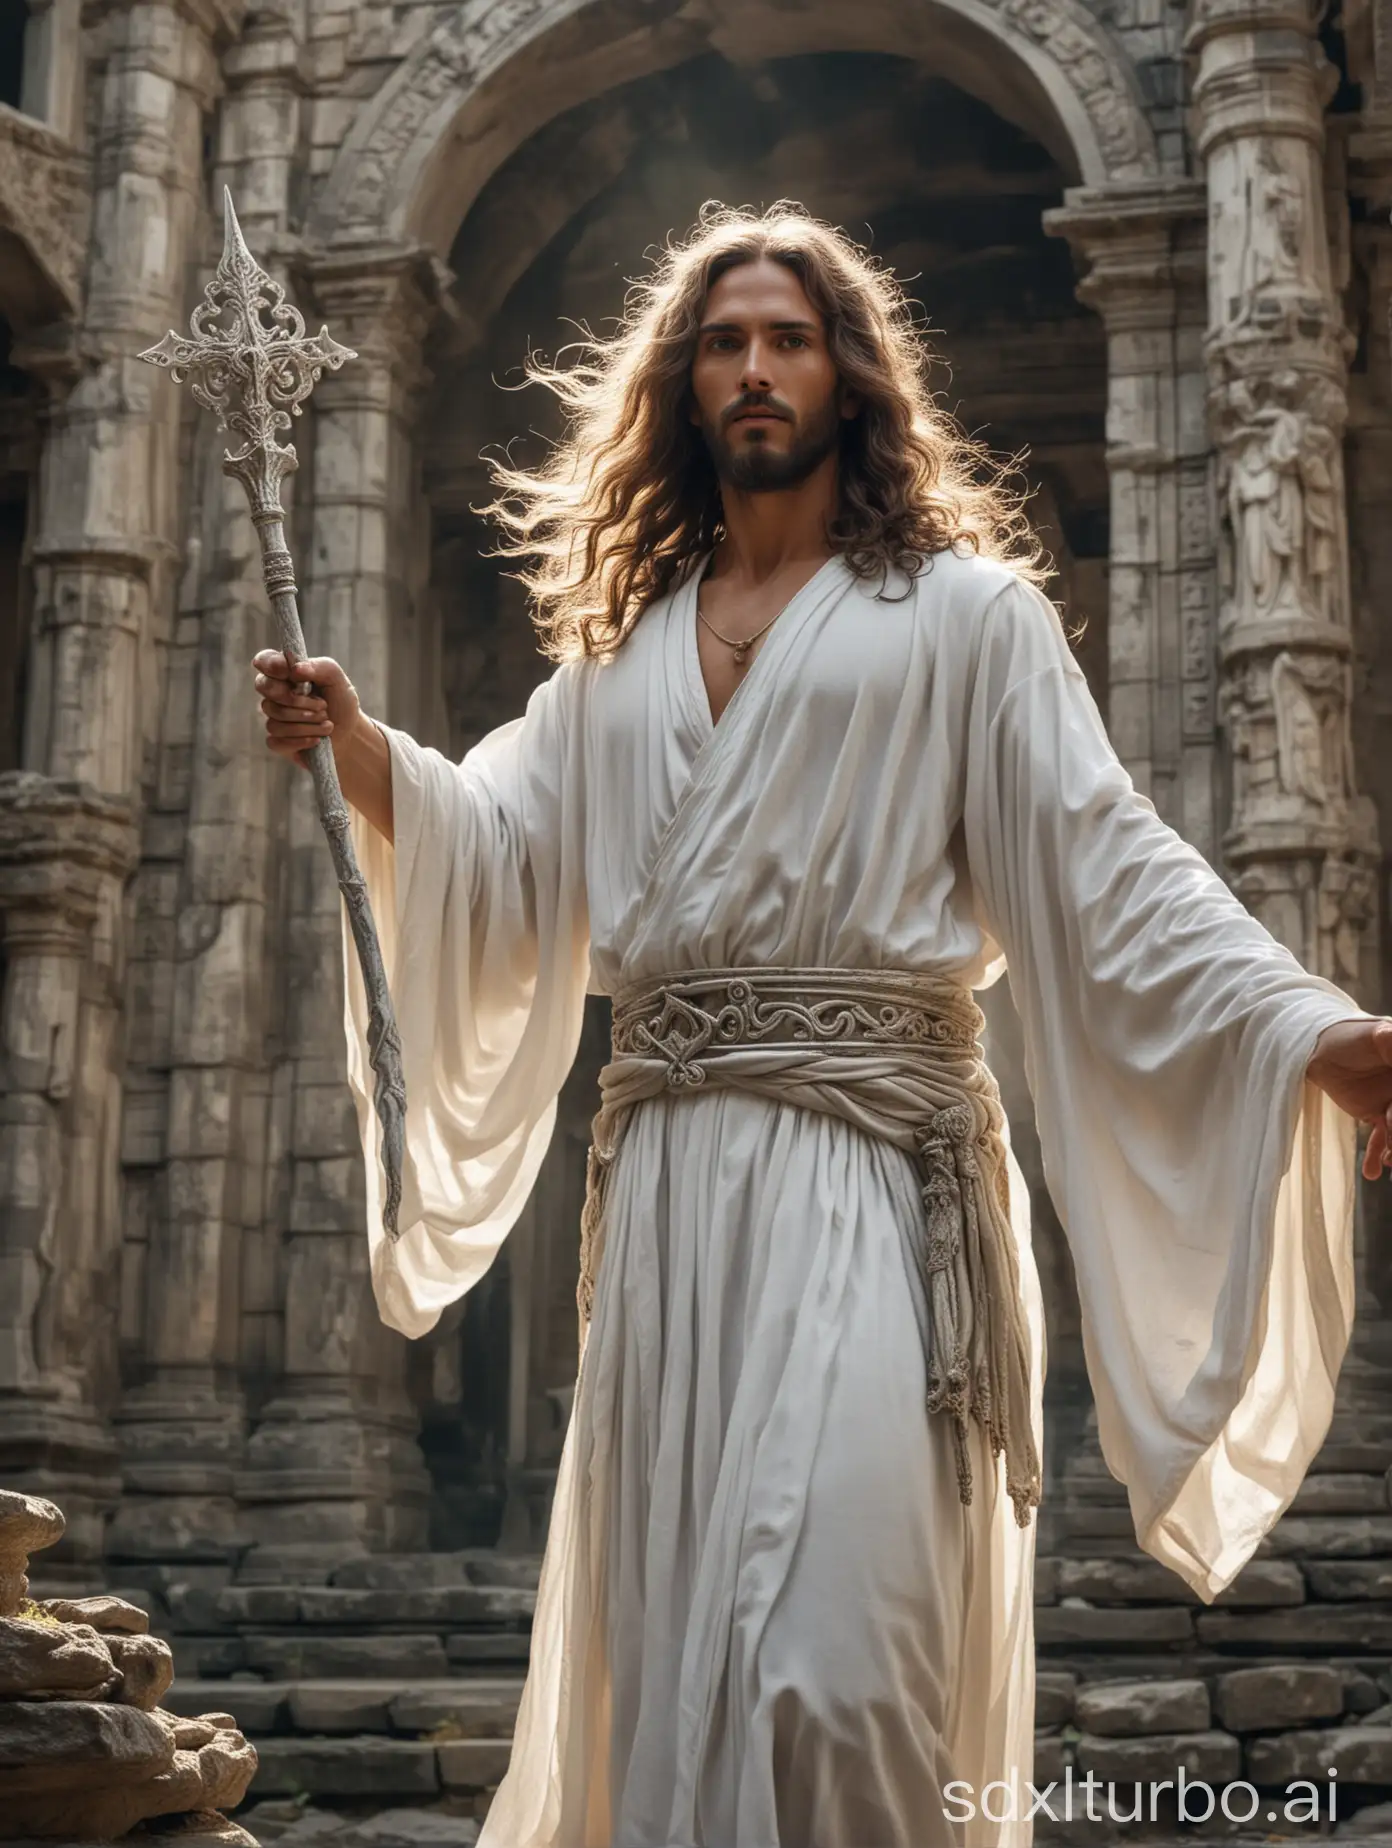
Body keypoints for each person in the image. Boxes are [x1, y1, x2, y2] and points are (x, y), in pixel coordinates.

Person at [252, 203, 1392, 1848]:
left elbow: (1107, 858)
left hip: (879, 1184)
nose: (757, 368)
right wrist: (359, 748)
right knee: (673, 1671)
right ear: (683, 388)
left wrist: (1309, 1032)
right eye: (724, 342)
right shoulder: (615, 666)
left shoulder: (965, 618)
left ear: (851, 377)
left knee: (837, 1680)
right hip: (668, 1213)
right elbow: (495, 850)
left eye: (789, 337)